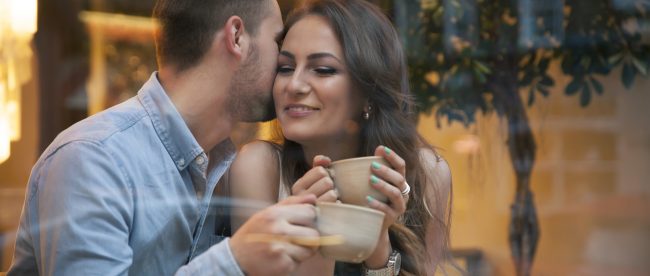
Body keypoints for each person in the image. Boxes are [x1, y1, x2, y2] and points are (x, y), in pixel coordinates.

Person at [8, 0, 321, 275]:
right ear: (237, 37)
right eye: (278, 43)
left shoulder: (230, 171)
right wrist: (235, 259)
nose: (284, 65)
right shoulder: (93, 159)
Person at [229, 0, 453, 275]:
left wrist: (378, 245)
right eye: (285, 68)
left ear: (369, 92)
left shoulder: (426, 174)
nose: (294, 85)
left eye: (323, 70)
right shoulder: (260, 167)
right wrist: (310, 234)